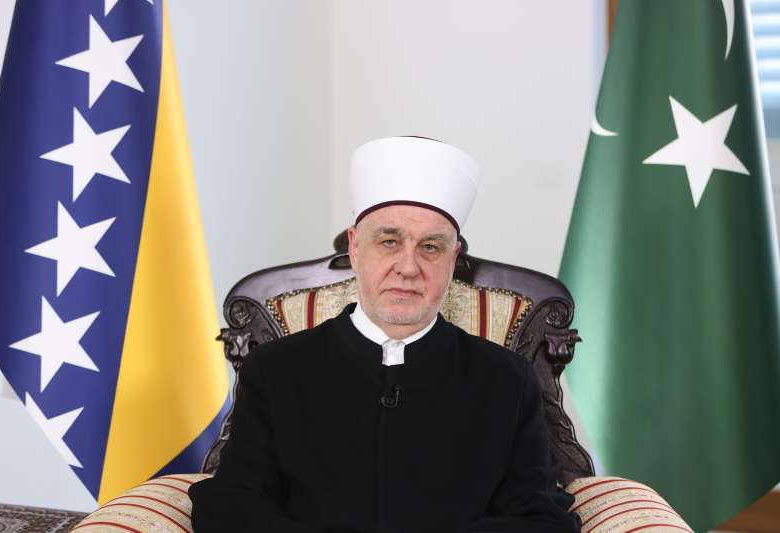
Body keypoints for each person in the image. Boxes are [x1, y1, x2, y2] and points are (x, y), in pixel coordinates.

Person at [188, 137, 581, 532]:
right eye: (389, 242)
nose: (408, 268)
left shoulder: (507, 379)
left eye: (430, 247)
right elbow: (234, 505)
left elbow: (539, 518)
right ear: (355, 248)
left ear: (452, 259)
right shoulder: (275, 370)